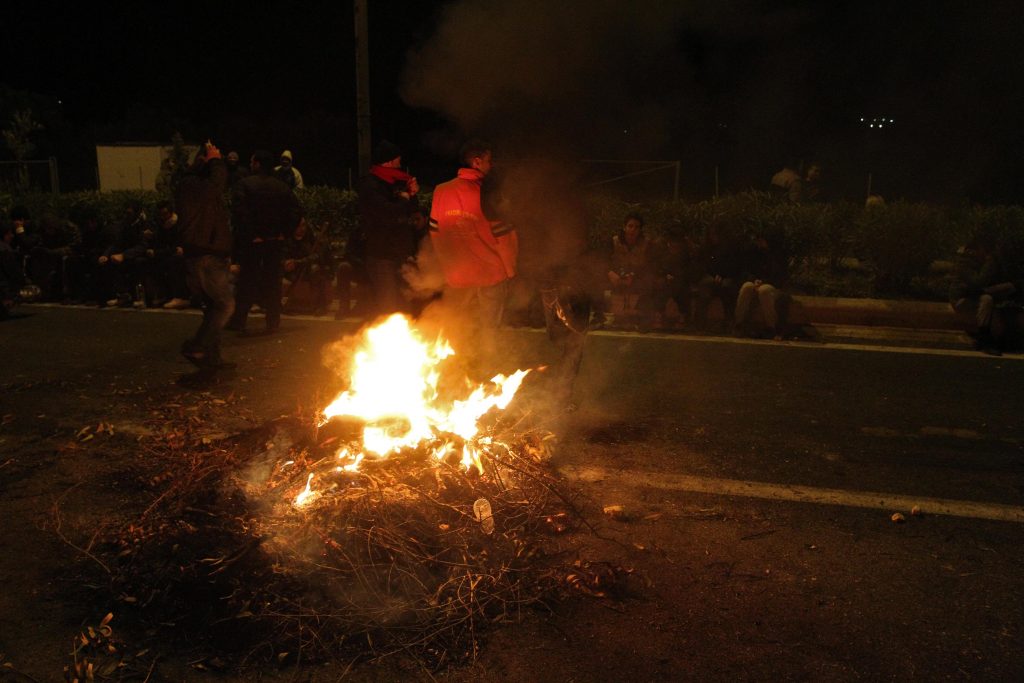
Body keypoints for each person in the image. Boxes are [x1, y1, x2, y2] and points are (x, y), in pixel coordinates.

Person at [428, 139, 517, 365]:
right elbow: (503, 237)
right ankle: (489, 367)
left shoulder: (441, 190)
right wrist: (510, 271)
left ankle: (454, 368)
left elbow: (435, 232)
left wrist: (446, 264)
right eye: (488, 160)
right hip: (490, 274)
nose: (491, 165)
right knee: (489, 327)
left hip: (456, 274)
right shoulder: (487, 193)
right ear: (477, 162)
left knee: (455, 324)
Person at [227, 149, 303, 335]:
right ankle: (272, 322)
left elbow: (240, 213)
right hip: (275, 241)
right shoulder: (282, 187)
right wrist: (284, 233)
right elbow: (296, 212)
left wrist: (251, 234)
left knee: (247, 281)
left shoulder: (244, 185)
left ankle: (239, 321)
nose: (251, 165)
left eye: (253, 162)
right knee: (273, 283)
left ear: (258, 164)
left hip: (254, 242)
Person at [175, 140, 235, 373]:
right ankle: (198, 346)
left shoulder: (188, 185)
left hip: (198, 254)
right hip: (207, 254)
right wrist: (215, 160)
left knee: (212, 308)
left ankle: (212, 359)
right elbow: (218, 183)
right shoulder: (196, 186)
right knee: (225, 304)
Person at [358, 140, 420, 317]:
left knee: (405, 299)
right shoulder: (370, 185)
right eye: (398, 161)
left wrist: (412, 194)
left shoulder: (398, 181)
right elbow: (386, 213)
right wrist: (404, 199)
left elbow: (412, 211)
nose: (400, 165)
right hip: (381, 253)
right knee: (387, 302)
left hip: (400, 251)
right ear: (390, 161)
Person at [950, 233, 1023, 355]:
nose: (987, 255)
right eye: (985, 251)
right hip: (962, 298)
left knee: (1008, 290)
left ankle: (1005, 340)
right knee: (987, 299)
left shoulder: (980, 262)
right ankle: (984, 338)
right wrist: (990, 265)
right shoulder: (964, 263)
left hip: (974, 295)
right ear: (978, 249)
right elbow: (978, 283)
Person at [734, 229, 790, 339]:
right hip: (756, 282)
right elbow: (747, 270)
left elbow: (778, 275)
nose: (759, 243)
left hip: (772, 285)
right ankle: (738, 323)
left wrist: (763, 281)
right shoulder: (755, 252)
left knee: (764, 290)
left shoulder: (777, 255)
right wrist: (754, 279)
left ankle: (771, 327)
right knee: (746, 287)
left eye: (761, 240)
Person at [605, 213, 655, 327]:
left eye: (637, 227)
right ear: (624, 227)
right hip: (615, 275)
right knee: (594, 279)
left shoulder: (646, 244)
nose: (633, 230)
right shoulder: (614, 241)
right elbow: (603, 260)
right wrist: (610, 273)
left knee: (649, 282)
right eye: (630, 226)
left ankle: (642, 318)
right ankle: (599, 316)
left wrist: (634, 275)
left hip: (637, 277)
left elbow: (650, 265)